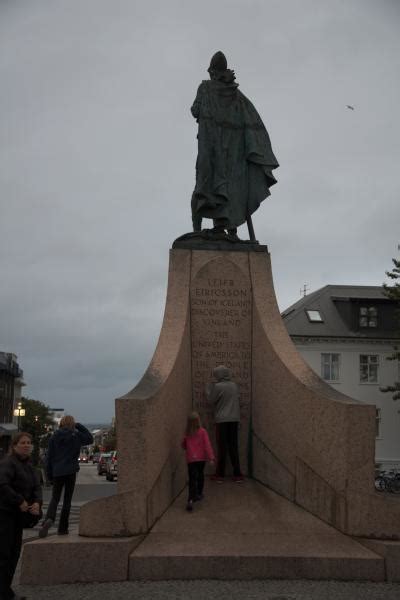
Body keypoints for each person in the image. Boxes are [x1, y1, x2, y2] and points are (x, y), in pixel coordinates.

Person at [191, 51, 279, 238]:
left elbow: (195, 110)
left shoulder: (205, 88)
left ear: (212, 72)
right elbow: (250, 120)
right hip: (233, 151)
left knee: (204, 186)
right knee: (230, 187)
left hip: (211, 147)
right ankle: (231, 231)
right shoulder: (236, 94)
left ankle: (198, 232)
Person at [0, 432, 42, 600]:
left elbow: (36, 486)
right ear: (15, 446)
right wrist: (19, 501)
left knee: (14, 553)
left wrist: (37, 502)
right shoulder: (7, 463)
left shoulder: (29, 466)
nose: (26, 445)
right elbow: (2, 485)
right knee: (4, 554)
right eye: (23, 442)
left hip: (19, 517)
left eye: (29, 442)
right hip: (5, 515)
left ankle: (6, 590)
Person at [39, 415, 93, 538]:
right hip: (71, 471)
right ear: (72, 424)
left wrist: (49, 474)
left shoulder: (54, 437)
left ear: (61, 423)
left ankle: (49, 518)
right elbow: (90, 439)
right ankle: (63, 528)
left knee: (55, 498)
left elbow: (49, 458)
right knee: (67, 501)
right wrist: (78, 426)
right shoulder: (76, 436)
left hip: (57, 471)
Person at [207, 365, 243, 483]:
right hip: (234, 419)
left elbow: (211, 401)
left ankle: (220, 475)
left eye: (215, 374)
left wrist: (208, 389)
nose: (215, 376)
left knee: (222, 447)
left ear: (219, 374)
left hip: (222, 420)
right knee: (233, 447)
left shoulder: (217, 386)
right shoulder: (234, 385)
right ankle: (238, 474)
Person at [181, 411, 215, 512]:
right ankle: (199, 494)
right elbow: (207, 445)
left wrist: (185, 444)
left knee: (192, 479)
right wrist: (211, 458)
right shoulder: (202, 431)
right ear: (198, 420)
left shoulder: (187, 433)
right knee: (200, 476)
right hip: (201, 460)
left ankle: (190, 500)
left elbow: (183, 445)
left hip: (191, 460)